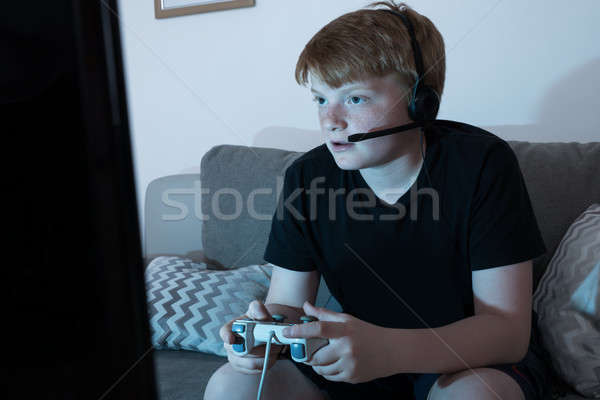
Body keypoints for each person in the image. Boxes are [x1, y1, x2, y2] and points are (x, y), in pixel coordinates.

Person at [204, 1, 551, 399]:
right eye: (320, 99)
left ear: (421, 101)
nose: (330, 119)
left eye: (354, 99)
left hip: (465, 361)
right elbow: (289, 303)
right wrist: (268, 332)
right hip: (354, 358)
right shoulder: (307, 176)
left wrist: (388, 350)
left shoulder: (482, 164)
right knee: (230, 386)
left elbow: (505, 332)